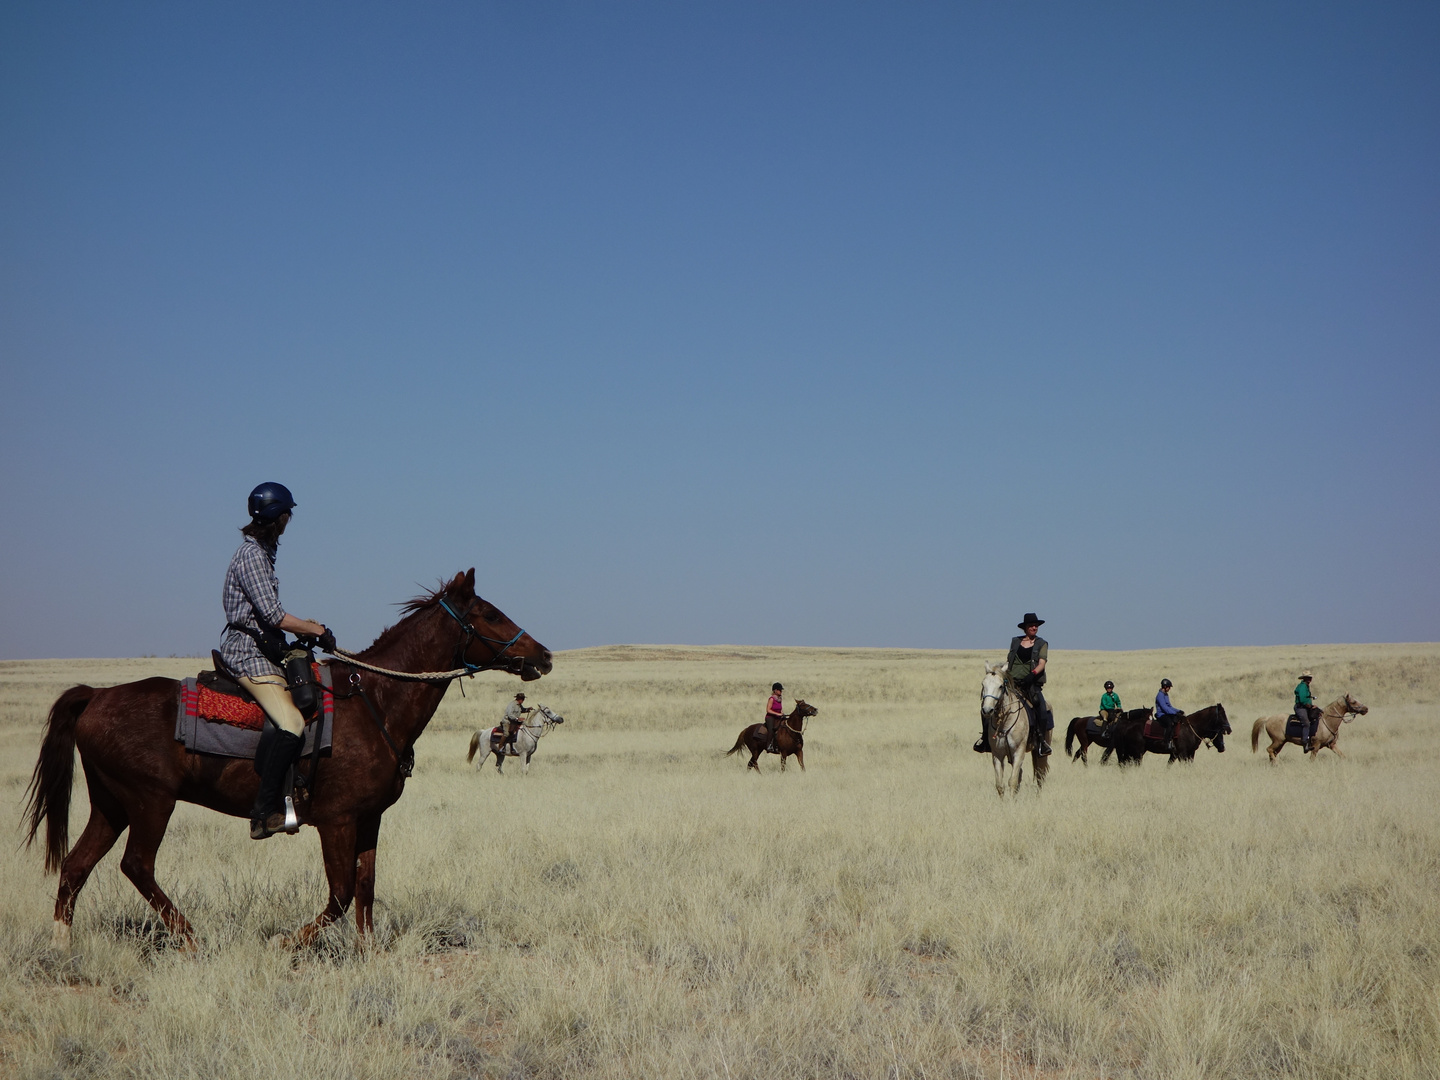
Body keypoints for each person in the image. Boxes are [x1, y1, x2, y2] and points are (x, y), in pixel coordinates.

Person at [220, 483, 332, 840]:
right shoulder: (251, 556)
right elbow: (273, 614)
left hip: (264, 648)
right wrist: (315, 628)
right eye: (288, 514)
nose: (289, 520)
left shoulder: (262, 552)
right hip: (247, 652)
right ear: (280, 517)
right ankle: (263, 810)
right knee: (292, 723)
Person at [976, 614, 1053, 755]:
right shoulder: (1015, 642)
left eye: (1036, 625)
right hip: (1012, 682)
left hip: (1031, 683)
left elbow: (1042, 663)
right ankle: (985, 740)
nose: (1034, 627)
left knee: (1041, 707)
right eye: (1031, 625)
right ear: (1025, 628)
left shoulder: (1042, 643)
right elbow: (1009, 660)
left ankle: (1041, 742)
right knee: (988, 705)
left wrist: (1032, 675)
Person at [1154, 678, 1182, 753]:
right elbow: (1164, 708)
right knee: (1170, 723)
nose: (1169, 689)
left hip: (1167, 713)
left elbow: (1169, 706)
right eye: (1169, 687)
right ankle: (1167, 742)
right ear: (1165, 687)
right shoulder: (1160, 695)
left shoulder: (1166, 695)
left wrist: (1178, 711)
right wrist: (1174, 713)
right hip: (1161, 715)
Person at [1294, 670, 1316, 752]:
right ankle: (1305, 742)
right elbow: (1303, 700)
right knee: (1306, 723)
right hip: (1301, 708)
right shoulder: (1302, 687)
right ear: (1304, 678)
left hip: (1305, 707)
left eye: (1310, 678)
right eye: (1308, 678)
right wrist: (1310, 706)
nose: (1309, 679)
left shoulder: (1306, 686)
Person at [764, 683, 784, 753]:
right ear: (775, 690)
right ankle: (769, 745)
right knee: (771, 730)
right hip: (770, 717)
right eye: (780, 690)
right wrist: (777, 714)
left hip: (778, 717)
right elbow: (768, 710)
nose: (781, 691)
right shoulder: (771, 699)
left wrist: (782, 714)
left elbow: (780, 709)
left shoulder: (779, 699)